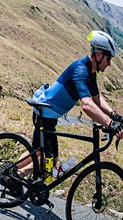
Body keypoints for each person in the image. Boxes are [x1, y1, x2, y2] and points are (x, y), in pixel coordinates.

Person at [10, 30, 123, 190]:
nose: (109, 64)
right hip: (45, 114)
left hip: (47, 113)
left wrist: (114, 115)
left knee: (37, 152)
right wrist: (110, 124)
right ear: (98, 55)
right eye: (108, 59)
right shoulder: (81, 70)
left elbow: (97, 98)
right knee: (51, 159)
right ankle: (16, 176)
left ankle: (12, 173)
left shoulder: (90, 72)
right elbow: (87, 105)